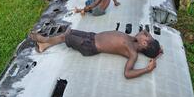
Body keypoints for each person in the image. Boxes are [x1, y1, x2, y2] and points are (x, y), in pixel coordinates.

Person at [29, 28, 164, 79]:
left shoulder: (132, 52)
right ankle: (44, 46)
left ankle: (44, 40)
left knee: (65, 37)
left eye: (147, 37)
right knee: (68, 32)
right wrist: (157, 53)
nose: (145, 34)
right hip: (92, 36)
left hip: (89, 46)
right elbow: (144, 31)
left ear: (144, 44)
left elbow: (128, 73)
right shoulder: (135, 39)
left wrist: (148, 69)